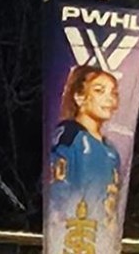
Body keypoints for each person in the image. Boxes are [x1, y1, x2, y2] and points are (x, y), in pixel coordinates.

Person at [44, 63, 122, 254]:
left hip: (102, 240)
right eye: (99, 91)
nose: (109, 99)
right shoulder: (69, 137)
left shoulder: (112, 151)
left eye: (113, 93)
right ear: (79, 97)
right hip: (75, 239)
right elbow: (60, 194)